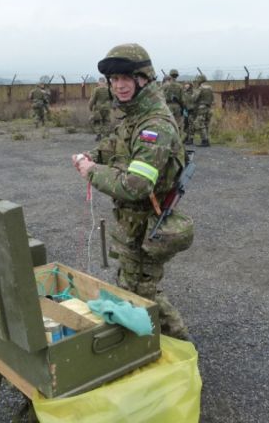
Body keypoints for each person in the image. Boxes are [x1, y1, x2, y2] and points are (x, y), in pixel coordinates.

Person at [72, 44, 193, 340]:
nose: (119, 85)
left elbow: (136, 185)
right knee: (132, 288)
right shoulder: (135, 117)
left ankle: (181, 346)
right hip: (132, 225)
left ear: (144, 79)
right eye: (114, 79)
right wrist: (91, 155)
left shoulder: (154, 125)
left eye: (126, 78)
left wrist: (92, 171)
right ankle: (148, 345)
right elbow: (115, 145)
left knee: (143, 295)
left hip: (148, 225)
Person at [192, 74, 214, 147]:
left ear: (200, 80)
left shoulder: (200, 88)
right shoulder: (210, 88)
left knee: (199, 123)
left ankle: (205, 140)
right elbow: (212, 98)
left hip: (202, 107)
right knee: (206, 124)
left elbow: (194, 98)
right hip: (209, 107)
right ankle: (206, 139)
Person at [87, 76, 112, 141]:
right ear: (105, 82)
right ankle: (106, 136)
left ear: (99, 82)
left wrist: (90, 107)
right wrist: (112, 106)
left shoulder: (96, 90)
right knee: (106, 121)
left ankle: (98, 135)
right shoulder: (109, 89)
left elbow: (92, 99)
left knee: (97, 122)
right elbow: (112, 98)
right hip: (107, 108)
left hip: (98, 108)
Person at [162, 68, 185, 134]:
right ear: (177, 76)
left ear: (170, 75)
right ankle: (177, 137)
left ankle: (168, 137)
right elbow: (182, 99)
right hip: (177, 106)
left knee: (168, 122)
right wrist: (182, 107)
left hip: (168, 105)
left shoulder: (165, 85)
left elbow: (161, 95)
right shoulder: (180, 86)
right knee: (178, 123)